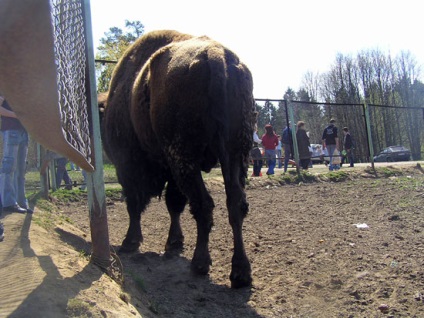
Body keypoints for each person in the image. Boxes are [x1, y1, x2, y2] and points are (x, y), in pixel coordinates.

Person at [0, 96, 32, 213]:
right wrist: (17, 115)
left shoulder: (22, 87)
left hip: (23, 130)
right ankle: (8, 203)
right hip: (11, 130)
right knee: (9, 167)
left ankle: (21, 202)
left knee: (21, 169)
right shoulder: (4, 85)